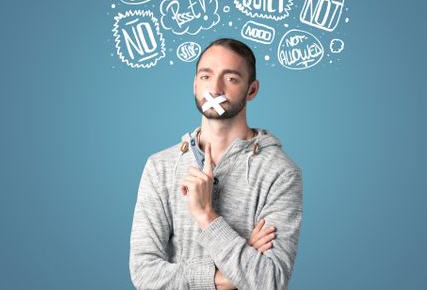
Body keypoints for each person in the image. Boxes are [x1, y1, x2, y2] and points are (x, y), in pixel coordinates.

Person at [129, 38, 303, 290]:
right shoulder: (160, 167)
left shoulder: (281, 173)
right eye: (206, 77)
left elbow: (269, 280)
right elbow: (144, 273)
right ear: (194, 85)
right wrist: (228, 276)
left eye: (231, 78)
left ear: (251, 90)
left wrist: (206, 215)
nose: (216, 88)